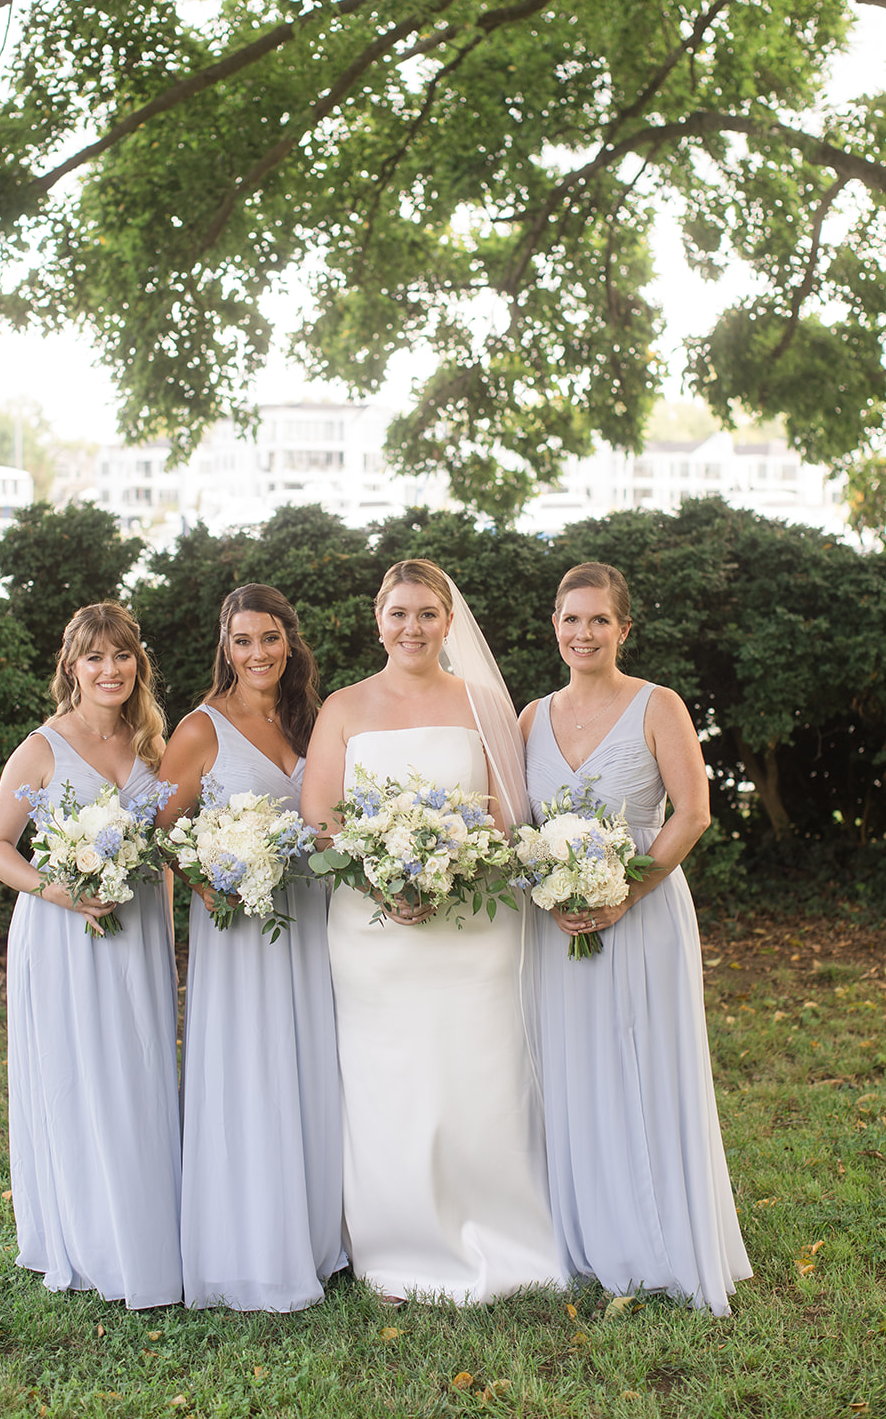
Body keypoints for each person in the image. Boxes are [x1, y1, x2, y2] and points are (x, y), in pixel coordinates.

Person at [301, 558, 563, 1304]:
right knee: (390, 1082)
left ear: (448, 623)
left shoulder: (481, 704)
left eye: (425, 614)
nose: (411, 628)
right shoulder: (343, 708)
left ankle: (504, 1231)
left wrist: (451, 875)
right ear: (376, 619)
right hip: (371, 933)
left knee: (478, 1077)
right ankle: (394, 1247)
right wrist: (380, 876)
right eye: (398, 613)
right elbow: (321, 814)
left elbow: (505, 820)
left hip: (472, 931)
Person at [521, 561, 751, 1314]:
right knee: (574, 1071)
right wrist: (542, 887)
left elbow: (691, 813)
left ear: (623, 629)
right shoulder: (529, 717)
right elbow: (518, 828)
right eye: (569, 619)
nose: (581, 633)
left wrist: (626, 892)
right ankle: (593, 1237)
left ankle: (662, 1241)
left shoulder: (658, 706)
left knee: (648, 1063)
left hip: (643, 912)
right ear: (552, 625)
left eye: (597, 620)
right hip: (558, 924)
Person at [0, 602, 183, 1308]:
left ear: (137, 664)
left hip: (138, 934)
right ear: (71, 666)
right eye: (94, 657)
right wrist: (59, 891)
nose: (110, 670)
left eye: (122, 655)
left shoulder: (154, 745)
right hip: (63, 934)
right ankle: (89, 1235)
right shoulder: (41, 748)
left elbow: (163, 845)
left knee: (138, 1071)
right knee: (77, 1076)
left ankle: (147, 1228)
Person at [158, 584, 345, 1311]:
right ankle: (252, 1242)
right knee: (252, 1068)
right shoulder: (202, 728)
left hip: (312, 910)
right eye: (242, 641)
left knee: (313, 1061)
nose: (257, 653)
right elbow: (164, 827)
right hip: (241, 928)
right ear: (225, 648)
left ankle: (319, 1236)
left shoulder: (317, 719)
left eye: (269, 638)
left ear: (289, 643)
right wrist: (206, 882)